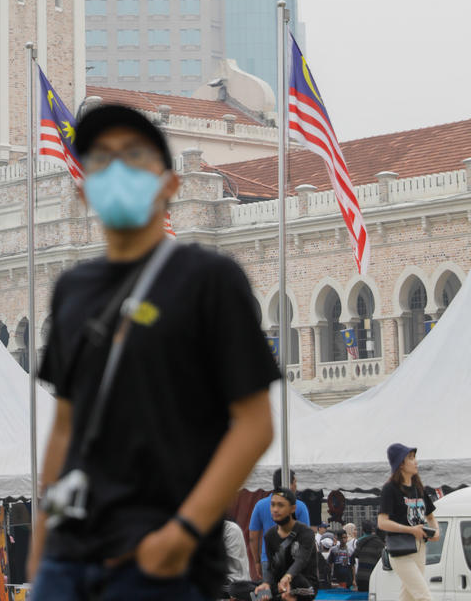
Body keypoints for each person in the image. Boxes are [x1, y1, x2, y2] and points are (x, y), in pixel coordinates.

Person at [28, 102, 278, 601]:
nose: (117, 171)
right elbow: (64, 425)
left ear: (170, 184)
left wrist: (183, 532)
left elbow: (254, 424)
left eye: (135, 156)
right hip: (70, 555)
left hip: (163, 559)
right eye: (101, 160)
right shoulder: (72, 289)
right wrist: (40, 544)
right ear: (83, 189)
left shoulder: (210, 280)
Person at [377, 445, 439, 601]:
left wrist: (436, 531)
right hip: (401, 550)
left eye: (414, 457)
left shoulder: (418, 488)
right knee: (424, 596)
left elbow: (431, 516)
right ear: (401, 464)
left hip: (420, 547)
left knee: (409, 597)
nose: (415, 461)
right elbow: (382, 522)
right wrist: (410, 530)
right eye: (410, 458)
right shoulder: (390, 489)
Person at [255, 488, 318, 601]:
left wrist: (288, 576)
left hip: (304, 586)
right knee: (242, 590)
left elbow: (301, 560)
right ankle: (277, 596)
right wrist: (267, 583)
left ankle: (287, 597)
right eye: (273, 505)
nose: (275, 509)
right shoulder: (270, 535)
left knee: (295, 582)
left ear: (292, 508)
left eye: (280, 505)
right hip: (280, 585)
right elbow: (270, 567)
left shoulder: (306, 532)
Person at [249, 471, 311, 575]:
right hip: (293, 563)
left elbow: (253, 537)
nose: (296, 486)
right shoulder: (299, 507)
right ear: (288, 484)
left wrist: (257, 561)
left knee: (269, 590)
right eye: (295, 482)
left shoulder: (260, 505)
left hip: (268, 560)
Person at [352, 520, 384, 591]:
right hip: (373, 577)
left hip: (360, 576)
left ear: (363, 530)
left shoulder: (360, 542)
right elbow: (382, 560)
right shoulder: (379, 543)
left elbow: (354, 556)